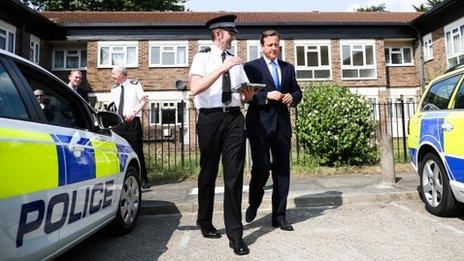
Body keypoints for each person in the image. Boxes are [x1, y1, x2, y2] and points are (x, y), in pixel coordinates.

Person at [189, 14, 256, 256]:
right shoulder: (202, 57)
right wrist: (222, 68)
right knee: (207, 172)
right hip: (209, 118)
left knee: (234, 175)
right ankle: (204, 221)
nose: (233, 37)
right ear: (219, 34)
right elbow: (195, 88)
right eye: (231, 33)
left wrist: (249, 95)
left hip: (234, 118)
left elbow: (245, 94)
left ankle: (235, 234)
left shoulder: (236, 62)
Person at [243, 30, 302, 231]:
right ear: (262, 46)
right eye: (270, 45)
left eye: (276, 44)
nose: (274, 48)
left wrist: (292, 97)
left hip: (282, 128)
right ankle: (254, 202)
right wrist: (266, 95)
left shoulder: (288, 68)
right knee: (261, 168)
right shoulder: (250, 67)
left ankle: (279, 216)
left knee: (282, 172)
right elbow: (246, 95)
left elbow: (297, 90)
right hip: (259, 126)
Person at [109, 67, 150, 189]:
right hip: (118, 123)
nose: (112, 76)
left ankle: (143, 179)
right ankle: (120, 178)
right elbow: (111, 106)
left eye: (113, 73)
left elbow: (144, 100)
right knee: (116, 152)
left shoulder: (135, 85)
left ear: (121, 74)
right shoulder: (114, 88)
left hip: (132, 122)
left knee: (137, 151)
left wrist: (134, 111)